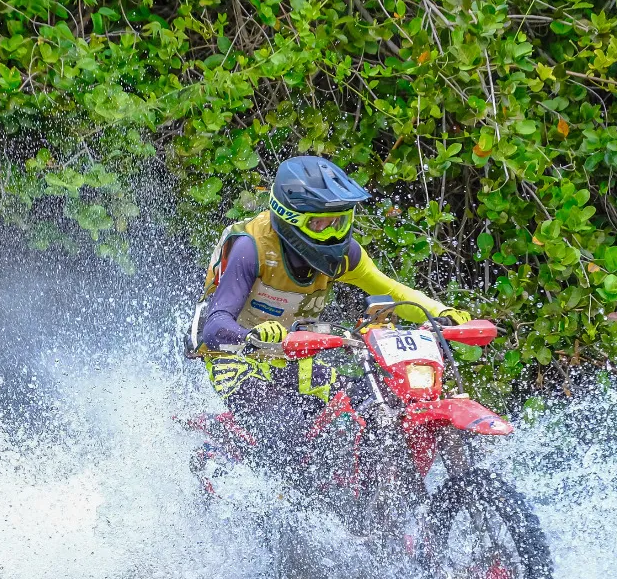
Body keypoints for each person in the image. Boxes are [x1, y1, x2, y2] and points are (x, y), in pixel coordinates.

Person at [192, 155, 470, 458]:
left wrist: (440, 313)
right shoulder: (252, 248)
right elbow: (215, 323)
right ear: (290, 218)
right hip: (235, 357)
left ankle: (364, 487)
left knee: (374, 404)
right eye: (320, 223)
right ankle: (283, 500)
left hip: (293, 355)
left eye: (340, 220)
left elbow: (390, 289)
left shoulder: (343, 254)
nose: (334, 232)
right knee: (285, 431)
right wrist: (250, 337)